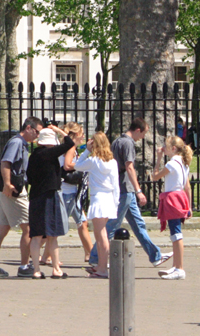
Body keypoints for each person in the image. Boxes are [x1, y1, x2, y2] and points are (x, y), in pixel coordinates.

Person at [86, 118, 171, 271]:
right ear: (138, 130)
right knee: (112, 225)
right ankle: (95, 258)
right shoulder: (128, 143)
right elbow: (129, 167)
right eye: (144, 133)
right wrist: (139, 191)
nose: (143, 137)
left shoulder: (118, 141)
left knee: (139, 225)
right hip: (125, 189)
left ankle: (155, 256)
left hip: (126, 189)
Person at [0, 116, 43, 278]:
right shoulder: (17, 142)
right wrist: (7, 184)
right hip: (13, 190)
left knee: (2, 228)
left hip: (7, 189)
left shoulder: (20, 143)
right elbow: (5, 162)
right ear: (29, 128)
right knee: (28, 228)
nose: (37, 135)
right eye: (36, 131)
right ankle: (24, 266)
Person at [25, 125, 74, 279]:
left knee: (36, 235)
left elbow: (30, 177)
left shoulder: (34, 156)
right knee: (52, 235)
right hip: (49, 195)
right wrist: (60, 131)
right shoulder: (49, 153)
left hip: (36, 196)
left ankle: (36, 270)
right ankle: (56, 268)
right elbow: (69, 144)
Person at [73, 132, 119, 278]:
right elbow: (116, 185)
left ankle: (103, 268)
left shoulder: (93, 161)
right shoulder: (112, 162)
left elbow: (77, 166)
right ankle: (101, 265)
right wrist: (116, 203)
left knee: (101, 236)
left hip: (98, 198)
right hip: (109, 198)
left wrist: (86, 150)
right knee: (102, 234)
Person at [152, 136, 193, 280]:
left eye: (166, 146)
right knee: (175, 232)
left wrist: (158, 158)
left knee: (176, 234)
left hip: (172, 199)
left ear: (173, 148)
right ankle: (176, 266)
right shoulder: (183, 163)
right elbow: (187, 187)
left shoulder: (172, 163)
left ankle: (180, 268)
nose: (164, 148)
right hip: (180, 197)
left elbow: (155, 176)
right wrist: (189, 206)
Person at [59, 122, 93, 264]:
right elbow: (67, 165)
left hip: (73, 192)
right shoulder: (71, 148)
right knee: (59, 226)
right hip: (67, 192)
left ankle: (90, 254)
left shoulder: (72, 148)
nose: (83, 137)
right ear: (75, 135)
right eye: (82, 134)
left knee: (82, 223)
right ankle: (37, 251)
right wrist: (84, 165)